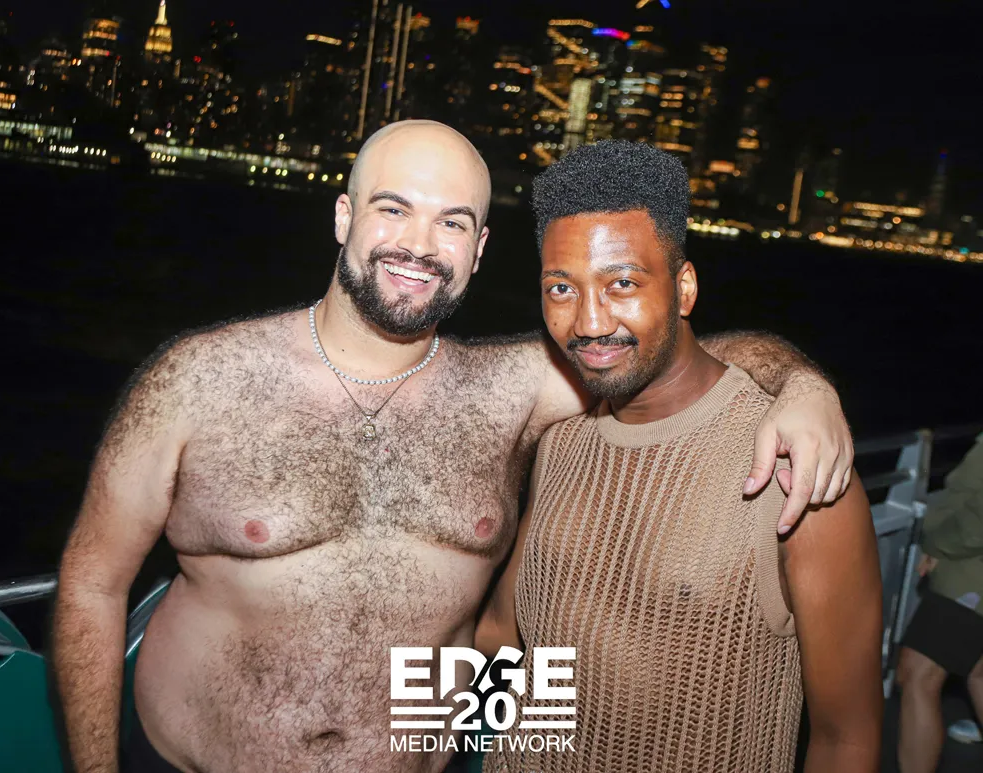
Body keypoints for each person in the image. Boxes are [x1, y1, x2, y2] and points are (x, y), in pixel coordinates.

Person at [53, 121, 854, 773]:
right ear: (344, 216)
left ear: (478, 249)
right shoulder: (197, 379)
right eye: (393, 209)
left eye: (452, 222)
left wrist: (804, 385)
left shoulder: (517, 388)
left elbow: (662, 346)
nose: (419, 244)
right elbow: (92, 583)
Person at [476, 140, 883, 773]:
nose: (589, 322)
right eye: (561, 288)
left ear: (684, 287)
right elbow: (503, 635)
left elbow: (846, 739)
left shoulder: (793, 467)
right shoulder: (559, 440)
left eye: (622, 284)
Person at [897, 432, 983, 772]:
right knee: (979, 672)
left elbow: (978, 521)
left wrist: (937, 544)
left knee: (918, 672)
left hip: (971, 574)